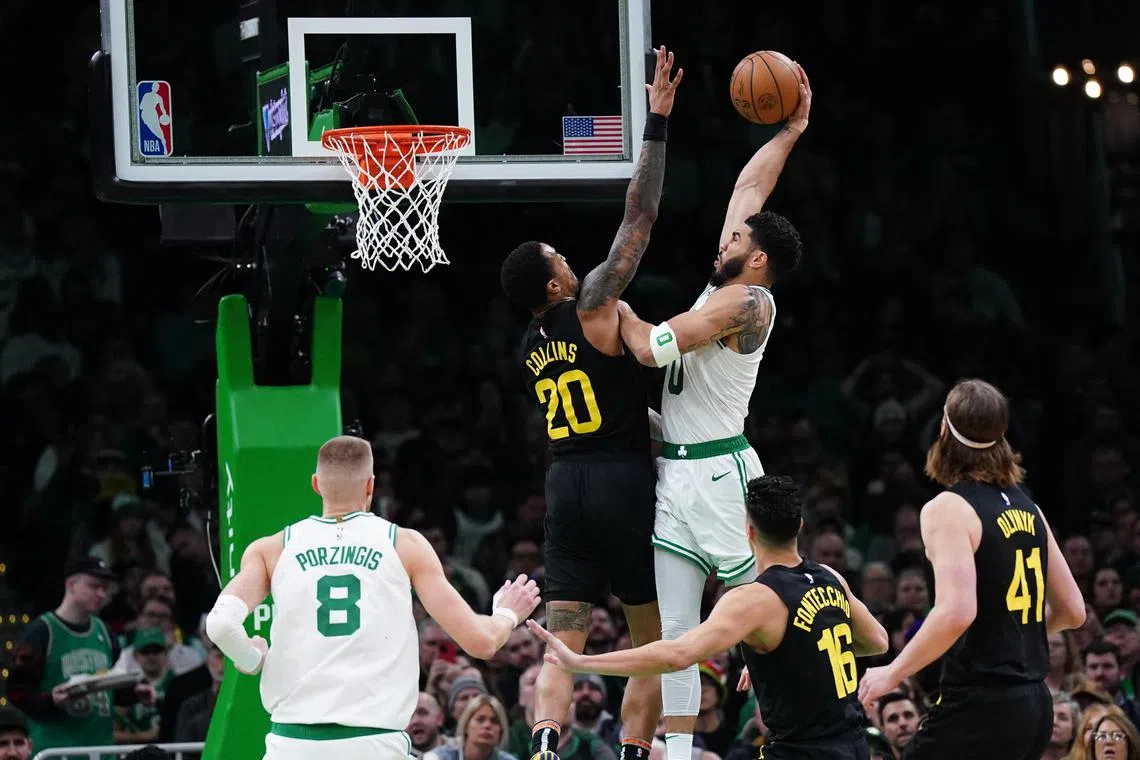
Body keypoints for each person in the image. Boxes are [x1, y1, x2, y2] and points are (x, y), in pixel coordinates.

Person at [612, 65, 812, 760]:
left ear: (757, 260)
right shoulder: (728, 278)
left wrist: (613, 307)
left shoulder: (747, 302)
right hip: (678, 473)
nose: (723, 241)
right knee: (675, 634)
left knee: (764, 623)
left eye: (736, 242)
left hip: (725, 481)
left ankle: (801, 731)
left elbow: (650, 349)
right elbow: (749, 188)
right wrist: (791, 128)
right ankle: (679, 754)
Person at [498, 45, 683, 760]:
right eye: (560, 261)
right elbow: (639, 216)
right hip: (618, 477)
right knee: (652, 637)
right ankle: (636, 747)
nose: (573, 264)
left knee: (564, 635)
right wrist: (657, 122)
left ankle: (546, 739)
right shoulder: (595, 304)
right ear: (553, 285)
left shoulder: (528, 346)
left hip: (564, 485)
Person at [204, 435, 541, 760]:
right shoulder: (404, 544)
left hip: (291, 744)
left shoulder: (272, 548)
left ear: (316, 485)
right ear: (370, 486)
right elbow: (482, 643)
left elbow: (220, 624)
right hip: (375, 744)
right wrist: (506, 615)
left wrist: (251, 658)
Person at [528, 475, 888, 760]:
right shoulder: (831, 577)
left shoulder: (753, 600)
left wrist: (581, 660)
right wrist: (793, 650)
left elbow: (677, 655)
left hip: (799, 751)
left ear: (747, 531)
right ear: (800, 526)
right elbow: (877, 641)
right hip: (853, 746)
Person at [858, 379, 1087, 759]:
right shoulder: (1029, 508)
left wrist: (891, 673)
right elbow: (1073, 611)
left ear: (944, 429)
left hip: (983, 703)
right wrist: (1011, 632)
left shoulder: (948, 507)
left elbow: (957, 612)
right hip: (1035, 704)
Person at [7, 557, 156, 760]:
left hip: (101, 750)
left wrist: (136, 693)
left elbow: (110, 689)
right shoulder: (41, 632)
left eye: (104, 588)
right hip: (57, 750)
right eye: (94, 586)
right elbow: (17, 692)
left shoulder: (105, 631)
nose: (101, 594)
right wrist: (51, 701)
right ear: (71, 585)